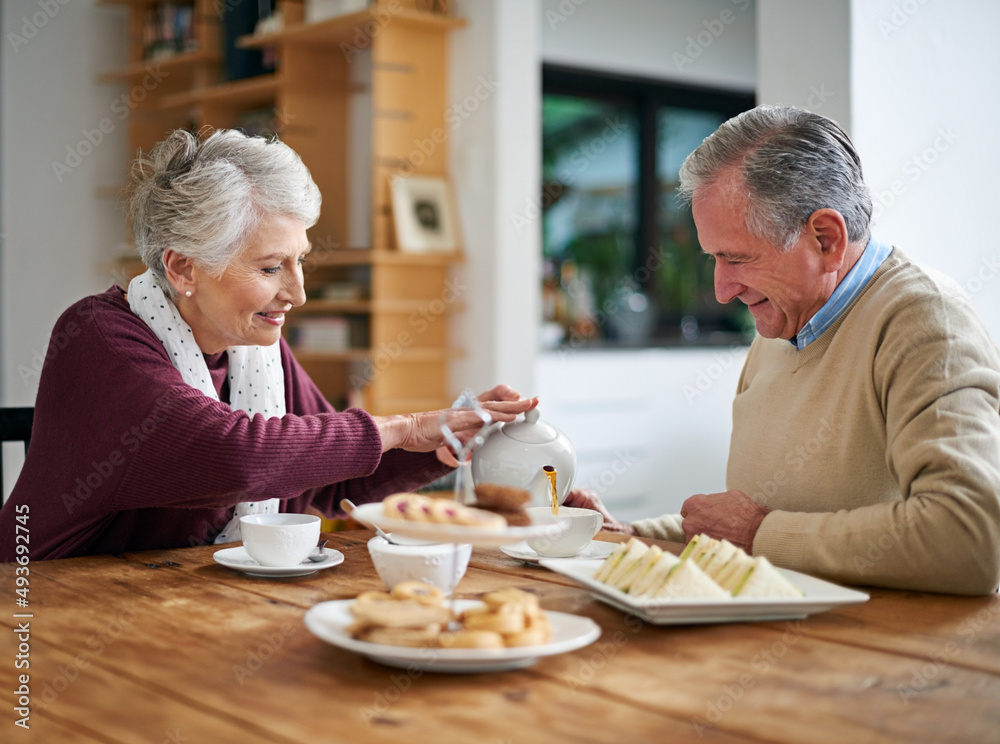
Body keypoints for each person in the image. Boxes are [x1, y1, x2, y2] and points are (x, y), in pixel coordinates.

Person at [0, 129, 536, 561]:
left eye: (299, 260)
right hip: (41, 605)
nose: (298, 292)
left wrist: (448, 439)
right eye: (269, 267)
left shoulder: (253, 349)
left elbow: (327, 481)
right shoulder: (97, 336)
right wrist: (406, 427)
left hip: (165, 599)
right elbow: (234, 455)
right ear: (183, 267)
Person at [567, 104, 1000, 596]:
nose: (721, 290)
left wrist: (757, 533)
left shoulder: (925, 320)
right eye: (714, 259)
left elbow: (967, 538)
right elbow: (755, 519)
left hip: (881, 663)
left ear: (826, 239)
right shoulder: (777, 330)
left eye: (736, 258)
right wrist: (628, 535)